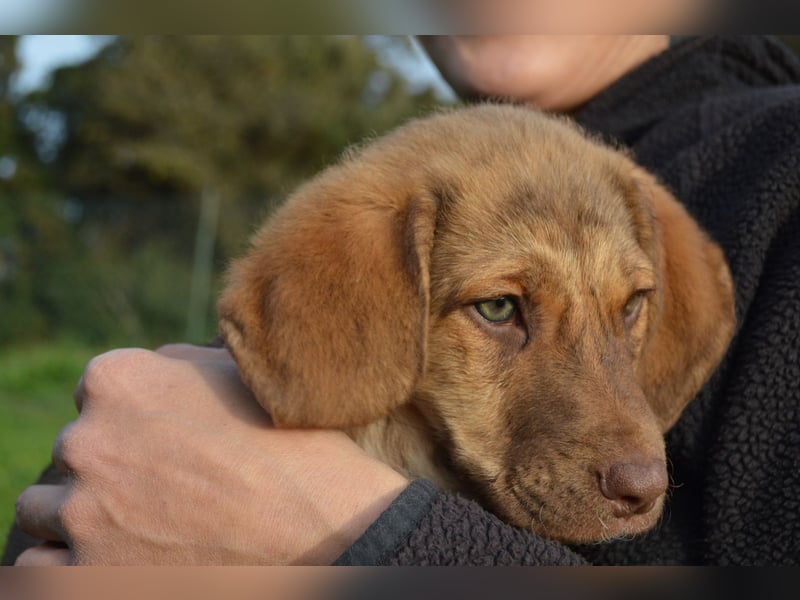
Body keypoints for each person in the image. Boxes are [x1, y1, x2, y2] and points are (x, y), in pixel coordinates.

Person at [8, 34, 800, 566]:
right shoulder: (406, 198)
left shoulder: (777, 166)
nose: (639, 466)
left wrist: (362, 539)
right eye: (502, 307)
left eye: (630, 307)